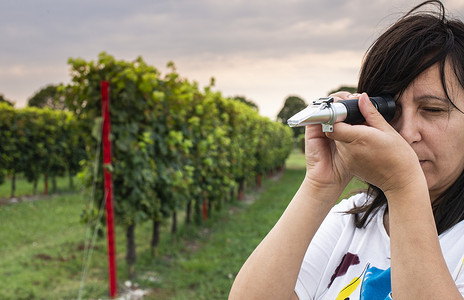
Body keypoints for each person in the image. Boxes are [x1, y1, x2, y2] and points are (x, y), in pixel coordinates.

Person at [229, 0, 464, 299]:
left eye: (432, 110)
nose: (406, 133)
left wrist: (404, 186)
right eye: (388, 111)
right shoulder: (350, 220)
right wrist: (321, 184)